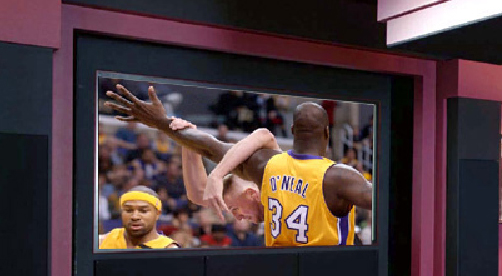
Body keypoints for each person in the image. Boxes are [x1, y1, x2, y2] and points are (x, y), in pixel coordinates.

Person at [104, 84, 373, 246]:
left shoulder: (269, 167)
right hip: (330, 271)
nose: (237, 216)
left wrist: (161, 123)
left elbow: (210, 145)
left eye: (234, 209)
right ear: (327, 133)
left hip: (285, 272)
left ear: (292, 131)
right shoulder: (339, 177)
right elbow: (384, 203)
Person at [98, 186, 180, 249]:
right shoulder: (103, 241)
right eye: (129, 210)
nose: (135, 217)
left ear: (157, 214)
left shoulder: (168, 249)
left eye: (143, 211)